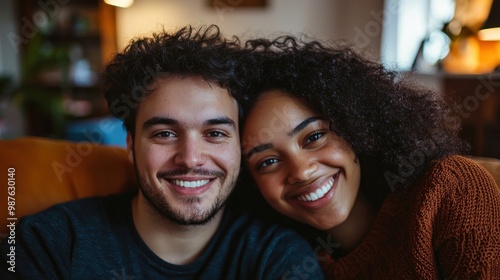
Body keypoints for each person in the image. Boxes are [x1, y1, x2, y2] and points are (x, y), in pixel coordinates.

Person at [0, 26, 325, 279]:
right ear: (130, 145)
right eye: (165, 133)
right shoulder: (47, 244)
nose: (190, 158)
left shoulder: (280, 257)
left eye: (214, 133)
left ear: (239, 147)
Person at [241, 36, 500, 279]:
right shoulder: (283, 263)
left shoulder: (448, 190)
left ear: (353, 125)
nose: (301, 172)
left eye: (314, 137)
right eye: (268, 162)